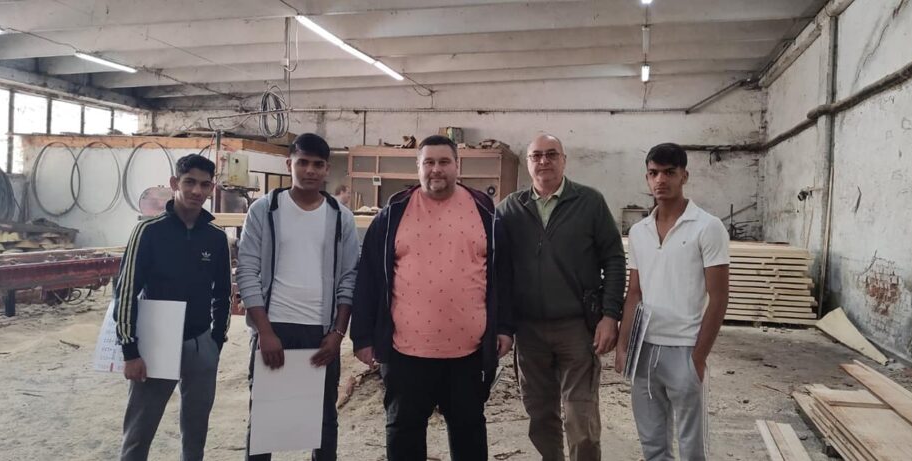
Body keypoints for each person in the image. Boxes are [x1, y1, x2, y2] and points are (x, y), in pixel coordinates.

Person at [351, 134, 514, 461]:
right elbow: (368, 278)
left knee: (469, 430)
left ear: (457, 165)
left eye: (443, 162)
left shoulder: (484, 212)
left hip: (468, 354)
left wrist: (505, 328)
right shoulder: (393, 214)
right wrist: (364, 337)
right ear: (418, 167)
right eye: (428, 162)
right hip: (405, 353)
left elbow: (504, 276)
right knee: (404, 431)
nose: (436, 169)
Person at [496, 134, 626, 461]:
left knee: (581, 416)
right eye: (536, 156)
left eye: (552, 154)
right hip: (529, 331)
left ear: (564, 160)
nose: (544, 161)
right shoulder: (510, 209)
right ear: (528, 163)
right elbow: (495, 268)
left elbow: (613, 259)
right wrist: (502, 325)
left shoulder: (589, 203)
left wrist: (610, 316)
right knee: (539, 414)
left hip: (577, 327)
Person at [236, 133, 360, 461]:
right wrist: (264, 332)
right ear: (288, 163)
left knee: (323, 422)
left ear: (327, 169)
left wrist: (337, 333)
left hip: (321, 333)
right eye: (302, 162)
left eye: (318, 164)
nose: (309, 170)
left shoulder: (341, 217)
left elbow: (349, 278)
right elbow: (247, 272)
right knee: (265, 422)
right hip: (274, 329)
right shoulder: (264, 210)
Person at [615, 143, 730, 461]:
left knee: (692, 448)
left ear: (684, 176)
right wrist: (623, 345)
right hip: (644, 348)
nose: (660, 180)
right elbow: (634, 293)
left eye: (669, 172)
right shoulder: (639, 232)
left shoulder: (707, 227)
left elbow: (719, 297)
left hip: (685, 348)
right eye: (653, 173)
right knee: (652, 444)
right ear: (647, 177)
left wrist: (698, 357)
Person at [115, 154, 232, 461]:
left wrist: (215, 341)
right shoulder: (149, 232)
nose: (196, 190)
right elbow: (126, 292)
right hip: (155, 346)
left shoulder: (216, 238)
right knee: (139, 432)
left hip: (200, 343)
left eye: (204, 184)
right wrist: (130, 350)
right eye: (189, 182)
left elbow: (223, 293)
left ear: (212, 188)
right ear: (174, 183)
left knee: (195, 433)